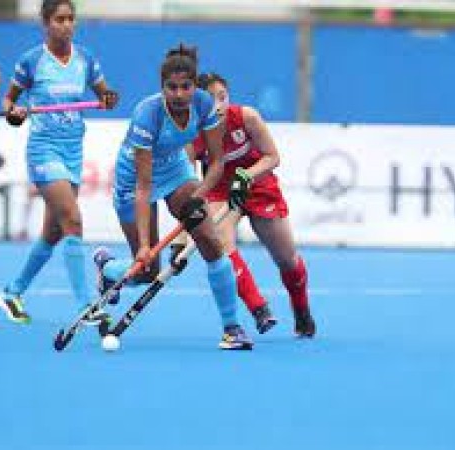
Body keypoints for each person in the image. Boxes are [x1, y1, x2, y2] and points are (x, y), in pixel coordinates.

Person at [94, 44, 253, 350]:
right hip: (133, 180)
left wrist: (198, 196)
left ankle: (232, 329)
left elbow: (217, 163)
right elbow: (144, 187)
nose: (179, 94)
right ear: (162, 87)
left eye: (186, 87)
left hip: (175, 170)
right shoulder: (147, 114)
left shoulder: (204, 104)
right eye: (172, 87)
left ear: (195, 86)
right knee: (146, 271)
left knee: (210, 241)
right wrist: (144, 246)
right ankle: (109, 269)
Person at [0, 0, 118, 323]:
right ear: (46, 23)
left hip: (73, 150)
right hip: (44, 150)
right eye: (59, 19)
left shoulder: (85, 59)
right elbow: (8, 100)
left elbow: (104, 94)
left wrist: (108, 98)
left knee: (53, 233)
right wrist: (13, 112)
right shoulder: (31, 61)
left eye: (70, 19)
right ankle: (86, 305)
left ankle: (12, 292)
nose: (66, 25)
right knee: (73, 220)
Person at [190, 72, 315, 337]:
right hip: (220, 191)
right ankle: (259, 308)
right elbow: (189, 182)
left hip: (258, 185)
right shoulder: (192, 133)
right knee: (222, 247)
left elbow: (272, 157)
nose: (219, 105)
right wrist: (183, 237)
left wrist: (245, 176)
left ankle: (301, 310)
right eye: (212, 100)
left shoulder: (247, 117)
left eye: (223, 97)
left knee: (287, 260)